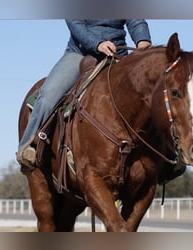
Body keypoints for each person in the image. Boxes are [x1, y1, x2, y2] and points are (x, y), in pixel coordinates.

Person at [16, 20, 152, 168]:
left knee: (148, 94)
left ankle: (169, 155)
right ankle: (29, 145)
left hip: (117, 52)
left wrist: (143, 41)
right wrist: (98, 44)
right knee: (49, 94)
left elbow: (136, 21)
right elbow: (76, 25)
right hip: (80, 53)